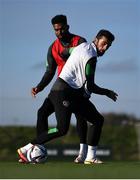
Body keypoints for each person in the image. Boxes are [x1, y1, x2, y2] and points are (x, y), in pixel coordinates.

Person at [17, 29, 118, 164]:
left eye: (108, 46)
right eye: (104, 43)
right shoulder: (92, 58)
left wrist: (69, 65)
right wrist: (107, 92)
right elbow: (91, 86)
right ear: (96, 39)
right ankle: (26, 148)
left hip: (67, 91)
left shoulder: (81, 46)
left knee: (97, 119)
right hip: (63, 92)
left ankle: (90, 157)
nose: (105, 48)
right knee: (61, 129)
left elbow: (65, 52)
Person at [18, 15, 88, 163]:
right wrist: (39, 87)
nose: (59, 32)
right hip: (59, 88)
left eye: (62, 28)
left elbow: (86, 63)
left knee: (80, 115)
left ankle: (83, 154)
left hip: (76, 87)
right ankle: (37, 149)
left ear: (67, 26)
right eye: (56, 30)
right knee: (42, 113)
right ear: (53, 30)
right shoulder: (53, 48)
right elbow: (50, 71)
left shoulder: (80, 42)